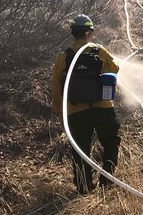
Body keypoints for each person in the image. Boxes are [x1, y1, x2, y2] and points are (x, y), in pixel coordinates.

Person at [52, 15, 121, 194]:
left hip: (76, 111)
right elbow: (114, 70)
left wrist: (61, 114)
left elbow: (57, 88)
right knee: (111, 141)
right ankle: (107, 180)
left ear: (73, 33)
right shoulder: (99, 51)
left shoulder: (64, 57)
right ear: (89, 33)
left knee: (80, 150)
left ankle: (84, 188)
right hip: (103, 109)